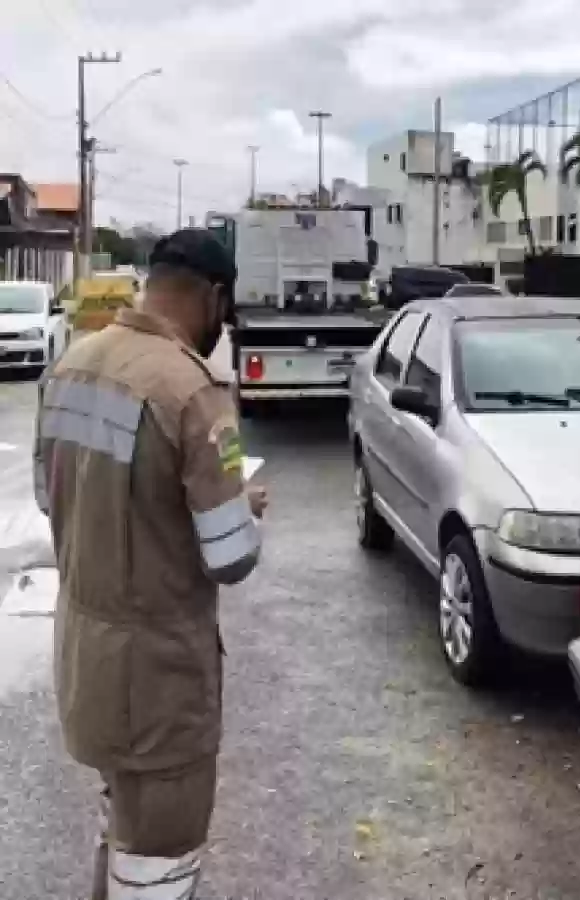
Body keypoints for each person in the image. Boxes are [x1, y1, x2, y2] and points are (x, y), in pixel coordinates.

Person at [33, 229, 267, 899]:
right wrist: (244, 507)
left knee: (118, 827)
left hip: (88, 664)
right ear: (214, 297)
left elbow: (53, 499)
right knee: (158, 862)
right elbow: (229, 558)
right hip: (160, 689)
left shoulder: (72, 365)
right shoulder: (191, 392)